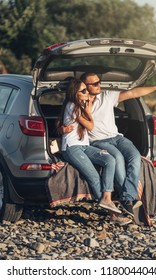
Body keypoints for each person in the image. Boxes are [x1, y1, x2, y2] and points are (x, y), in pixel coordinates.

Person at [76, 72, 156, 218]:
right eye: (95, 84)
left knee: (135, 156)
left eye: (99, 82)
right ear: (85, 86)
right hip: (98, 141)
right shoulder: (80, 104)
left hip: (117, 138)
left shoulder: (107, 96)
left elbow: (133, 92)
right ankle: (128, 199)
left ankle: (127, 196)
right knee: (117, 157)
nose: (99, 86)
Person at [57, 78, 122, 215]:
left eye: (87, 90)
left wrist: (87, 109)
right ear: (75, 93)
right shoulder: (72, 106)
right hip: (72, 148)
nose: (87, 93)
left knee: (110, 160)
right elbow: (91, 126)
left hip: (84, 146)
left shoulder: (79, 106)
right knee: (93, 177)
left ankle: (106, 198)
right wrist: (88, 111)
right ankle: (112, 214)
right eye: (83, 91)